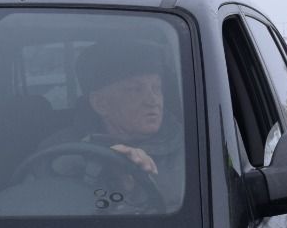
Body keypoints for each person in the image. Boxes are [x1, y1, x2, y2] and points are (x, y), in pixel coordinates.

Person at [32, 39, 186, 210]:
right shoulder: (57, 150)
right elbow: (34, 207)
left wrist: (139, 185)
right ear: (100, 103)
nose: (153, 100)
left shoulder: (190, 150)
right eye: (135, 89)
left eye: (157, 88)